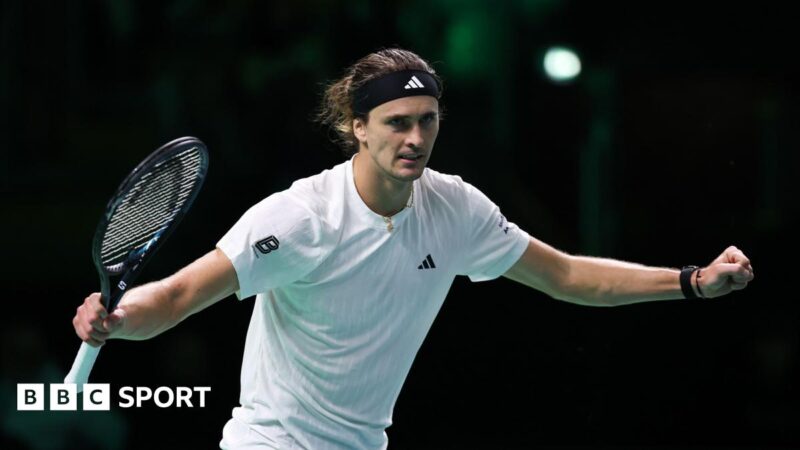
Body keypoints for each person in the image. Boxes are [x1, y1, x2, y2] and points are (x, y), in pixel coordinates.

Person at [72, 48, 755, 450]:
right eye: (396, 123)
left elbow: (570, 276)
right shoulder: (301, 217)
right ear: (356, 128)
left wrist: (691, 281)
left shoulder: (455, 209)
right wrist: (122, 318)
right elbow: (182, 294)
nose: (415, 138)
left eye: (427, 121)